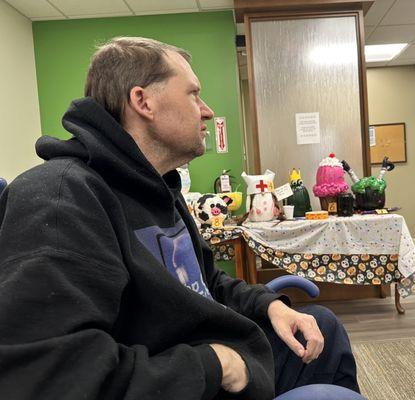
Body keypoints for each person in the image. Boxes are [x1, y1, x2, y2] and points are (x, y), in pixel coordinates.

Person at [0, 37, 360, 399]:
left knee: (321, 327)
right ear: (143, 101)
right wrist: (212, 365)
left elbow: (208, 283)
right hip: (183, 378)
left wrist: (268, 306)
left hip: (209, 352)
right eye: (193, 94)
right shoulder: (62, 198)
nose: (206, 111)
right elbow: (50, 376)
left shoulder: (159, 188)